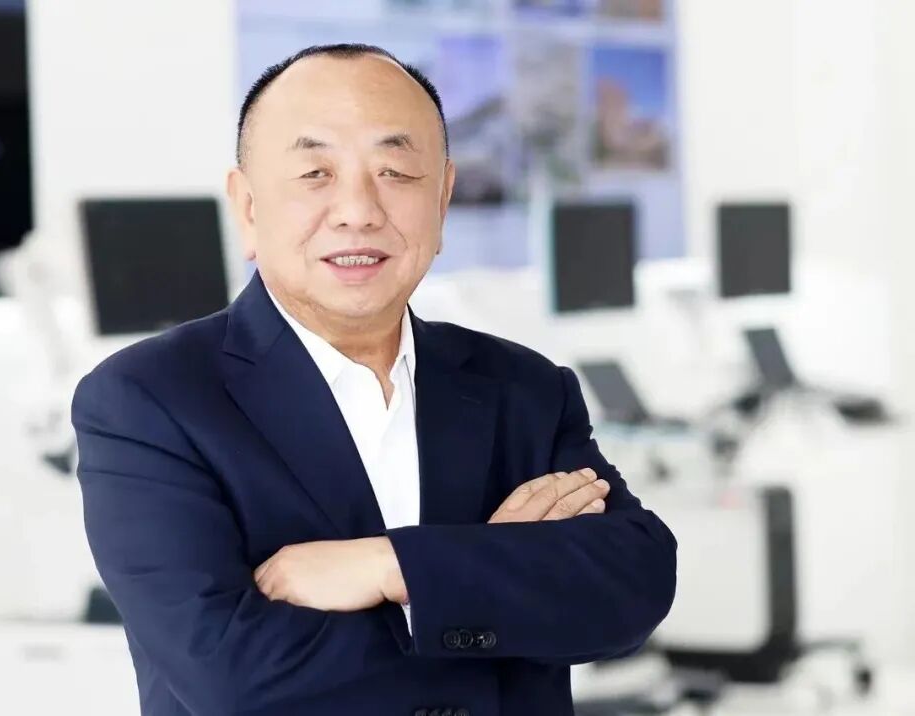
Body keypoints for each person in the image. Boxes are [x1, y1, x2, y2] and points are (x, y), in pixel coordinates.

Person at [71, 43, 677, 716]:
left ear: (442, 196)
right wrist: (486, 588)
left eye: (395, 171)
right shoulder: (149, 401)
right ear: (247, 207)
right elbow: (233, 678)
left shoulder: (524, 388)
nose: (357, 210)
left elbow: (634, 586)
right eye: (315, 173)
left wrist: (387, 566)